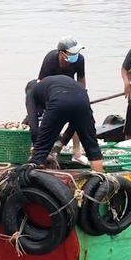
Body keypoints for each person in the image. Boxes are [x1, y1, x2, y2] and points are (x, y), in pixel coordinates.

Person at [25, 76, 104, 173]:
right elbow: (75, 124)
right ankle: (101, 182)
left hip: (59, 100)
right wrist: (62, 142)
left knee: (40, 152)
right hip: (83, 100)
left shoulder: (31, 93)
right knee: (92, 148)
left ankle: (38, 184)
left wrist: (37, 146)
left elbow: (33, 126)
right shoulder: (50, 84)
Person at [37, 36, 88, 165]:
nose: (75, 55)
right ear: (62, 53)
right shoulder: (51, 59)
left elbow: (81, 79)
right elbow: (41, 81)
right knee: (51, 123)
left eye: (77, 52)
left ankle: (76, 152)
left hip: (71, 90)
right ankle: (45, 151)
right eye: (72, 53)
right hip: (52, 92)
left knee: (78, 117)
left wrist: (83, 95)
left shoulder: (79, 59)